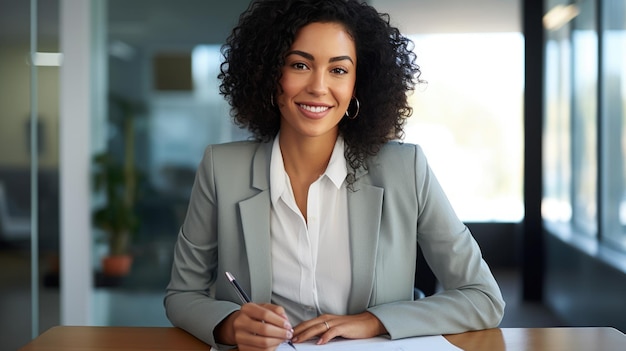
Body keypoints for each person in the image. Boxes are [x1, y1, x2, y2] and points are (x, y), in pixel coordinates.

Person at [164, 0, 505, 350]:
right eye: (300, 65)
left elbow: (483, 298)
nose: (318, 86)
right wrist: (230, 324)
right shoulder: (222, 169)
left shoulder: (406, 169)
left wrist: (373, 322)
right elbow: (182, 294)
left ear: (358, 83)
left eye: (338, 70)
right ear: (270, 75)